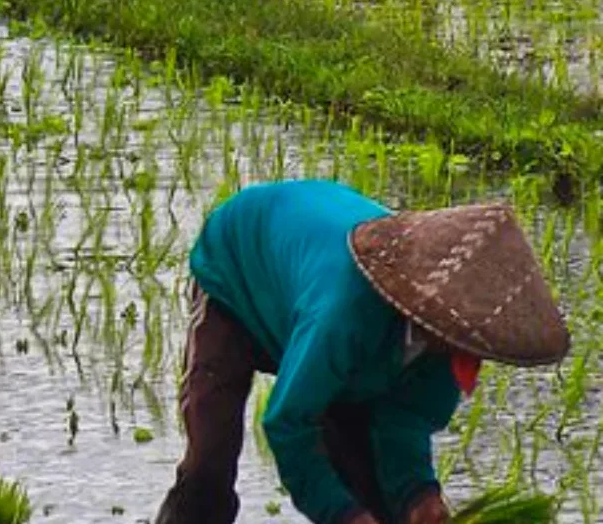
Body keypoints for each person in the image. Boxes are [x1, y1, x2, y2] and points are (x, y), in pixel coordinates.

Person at [154, 179, 571, 524]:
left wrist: (419, 496)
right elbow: (288, 423)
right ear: (438, 313)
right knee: (210, 467)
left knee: (375, 493)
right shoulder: (346, 313)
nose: (474, 350)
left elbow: (404, 421)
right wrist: (342, 516)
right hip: (239, 271)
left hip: (311, 302)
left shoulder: (453, 341)